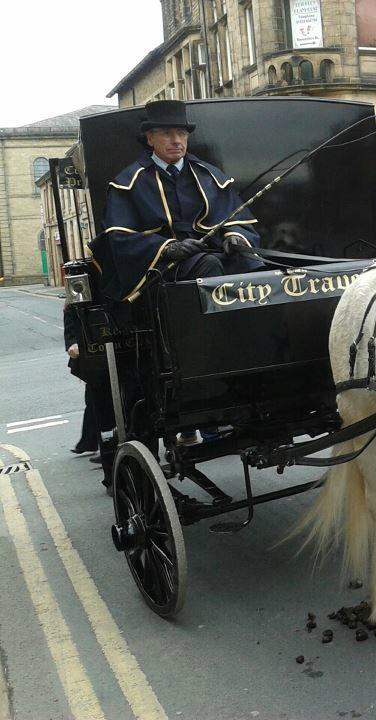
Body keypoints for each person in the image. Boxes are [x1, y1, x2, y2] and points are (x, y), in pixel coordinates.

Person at [90, 99, 262, 303]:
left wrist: (235, 237)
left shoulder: (209, 175)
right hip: (162, 267)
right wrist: (168, 248)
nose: (176, 141)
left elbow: (237, 219)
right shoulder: (128, 183)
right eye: (167, 134)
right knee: (209, 264)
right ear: (150, 139)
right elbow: (118, 238)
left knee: (252, 263)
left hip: (211, 251)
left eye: (181, 133)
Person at [63, 303, 115, 463]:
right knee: (95, 398)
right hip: (95, 353)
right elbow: (71, 314)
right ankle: (96, 443)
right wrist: (72, 342)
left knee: (110, 399)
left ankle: (102, 444)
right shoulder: (78, 297)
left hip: (120, 346)